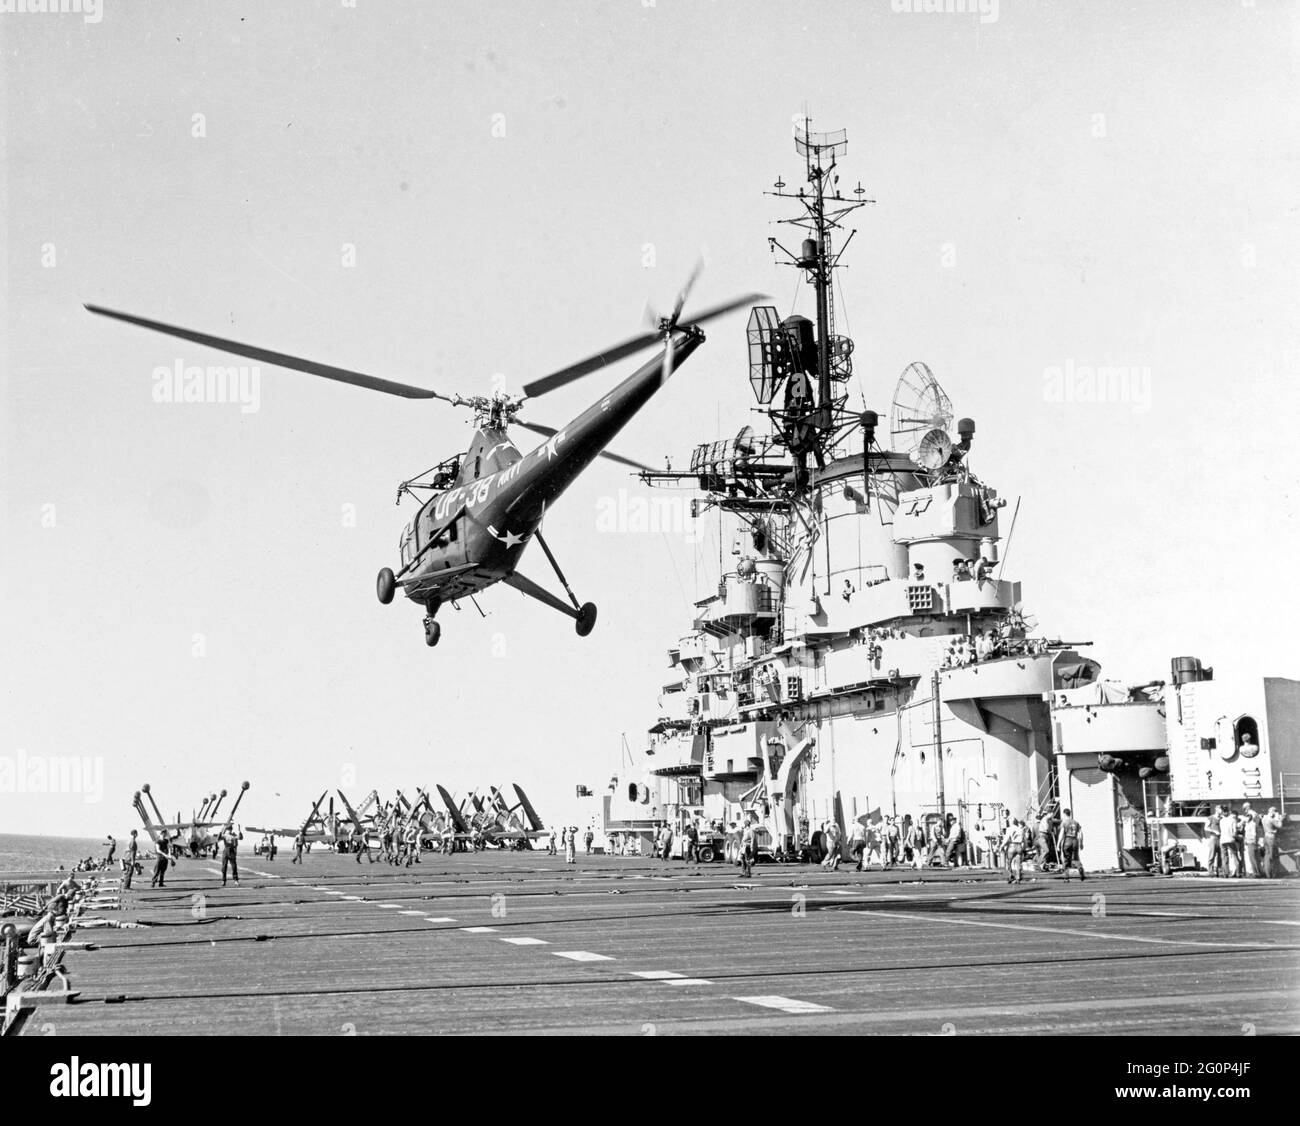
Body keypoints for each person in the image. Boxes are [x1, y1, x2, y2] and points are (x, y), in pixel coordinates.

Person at [1057, 808, 1085, 881]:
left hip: (1067, 840)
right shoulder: (1076, 822)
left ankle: (1066, 877)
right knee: (1075, 858)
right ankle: (1080, 867)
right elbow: (1080, 833)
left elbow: (1061, 833)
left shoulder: (1064, 822)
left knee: (1066, 859)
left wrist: (1058, 844)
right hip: (1075, 841)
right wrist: (1081, 843)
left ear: (1064, 814)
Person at [1217, 805, 1240, 877]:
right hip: (1231, 839)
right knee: (1235, 856)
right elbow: (1235, 831)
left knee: (1224, 857)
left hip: (1223, 840)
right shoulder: (1233, 820)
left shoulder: (1221, 821)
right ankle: (1238, 872)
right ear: (1229, 812)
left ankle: (1226, 873)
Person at [1262, 807, 1284, 878]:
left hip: (1265, 837)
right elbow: (1280, 826)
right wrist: (1280, 819)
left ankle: (1267, 873)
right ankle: (1272, 874)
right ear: (1273, 812)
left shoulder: (1264, 819)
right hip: (1271, 838)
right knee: (1272, 856)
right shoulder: (1271, 820)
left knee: (1267, 856)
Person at [1241, 804, 1261, 878]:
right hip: (1249, 841)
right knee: (1252, 858)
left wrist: (1254, 841)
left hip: (1251, 842)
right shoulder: (1248, 824)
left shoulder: (1252, 824)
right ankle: (1255, 872)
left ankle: (1256, 873)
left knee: (1253, 858)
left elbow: (1254, 833)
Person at [1005, 818, 1025, 884]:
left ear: (1011, 822)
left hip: (1012, 845)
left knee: (1008, 862)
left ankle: (1011, 875)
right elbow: (1024, 840)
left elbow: (1006, 839)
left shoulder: (1009, 829)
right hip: (1019, 846)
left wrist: (1001, 846)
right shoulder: (1021, 830)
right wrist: (1024, 848)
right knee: (1018, 863)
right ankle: (1018, 878)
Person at [1205, 807, 1224, 876]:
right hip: (1213, 837)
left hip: (1221, 838)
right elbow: (1206, 827)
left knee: (1221, 855)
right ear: (1217, 810)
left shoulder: (1222, 818)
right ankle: (1211, 871)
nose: (1222, 811)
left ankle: (1220, 871)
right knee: (1212, 855)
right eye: (1221, 809)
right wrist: (1214, 831)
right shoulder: (1210, 818)